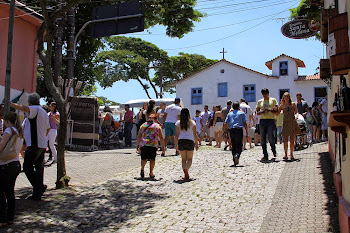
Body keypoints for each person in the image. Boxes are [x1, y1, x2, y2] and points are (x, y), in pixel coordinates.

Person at [11, 93, 50, 201]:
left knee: (27, 167)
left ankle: (39, 187)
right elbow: (48, 129)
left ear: (30, 102)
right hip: (41, 144)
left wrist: (11, 104)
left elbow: (23, 108)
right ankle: (38, 191)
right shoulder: (43, 112)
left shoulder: (35, 109)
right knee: (39, 168)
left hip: (34, 144)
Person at [0, 112, 24, 227]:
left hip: (5, 164)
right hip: (15, 164)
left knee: (1, 192)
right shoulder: (19, 132)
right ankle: (10, 218)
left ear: (7, 121)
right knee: (10, 192)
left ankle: (2, 218)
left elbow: (2, 145)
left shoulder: (9, 131)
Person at [137, 113, 165, 179]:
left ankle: (142, 169)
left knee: (144, 158)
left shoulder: (143, 125)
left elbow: (139, 135)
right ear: (155, 119)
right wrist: (163, 145)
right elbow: (161, 136)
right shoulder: (157, 126)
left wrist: (138, 144)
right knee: (152, 159)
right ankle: (151, 172)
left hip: (144, 144)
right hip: (153, 144)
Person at [175, 108, 199, 180]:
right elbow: (195, 134)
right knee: (189, 159)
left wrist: (176, 144)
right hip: (190, 141)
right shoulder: (192, 122)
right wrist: (197, 143)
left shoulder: (178, 123)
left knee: (183, 159)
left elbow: (176, 134)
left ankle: (185, 173)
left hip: (181, 141)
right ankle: (186, 171)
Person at [255, 88, 278, 162]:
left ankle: (273, 149)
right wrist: (262, 111)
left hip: (270, 120)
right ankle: (265, 154)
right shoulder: (260, 102)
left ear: (268, 93)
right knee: (263, 138)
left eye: (266, 94)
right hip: (262, 120)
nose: (265, 95)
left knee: (271, 136)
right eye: (263, 94)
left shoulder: (273, 100)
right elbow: (257, 112)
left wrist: (270, 110)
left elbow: (276, 110)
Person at [278, 92, 301, 160]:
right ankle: (285, 154)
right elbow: (277, 112)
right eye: (285, 96)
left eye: (287, 96)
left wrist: (296, 116)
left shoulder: (293, 104)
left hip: (292, 122)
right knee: (285, 139)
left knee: (292, 139)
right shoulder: (282, 106)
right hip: (285, 122)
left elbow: (297, 112)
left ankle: (291, 154)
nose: (286, 97)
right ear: (283, 98)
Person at [225, 101, 247, 166]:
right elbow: (245, 123)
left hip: (232, 129)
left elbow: (226, 123)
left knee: (233, 144)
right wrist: (247, 131)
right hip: (239, 129)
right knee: (239, 144)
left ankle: (234, 158)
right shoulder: (242, 113)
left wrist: (225, 131)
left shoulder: (230, 114)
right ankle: (237, 155)